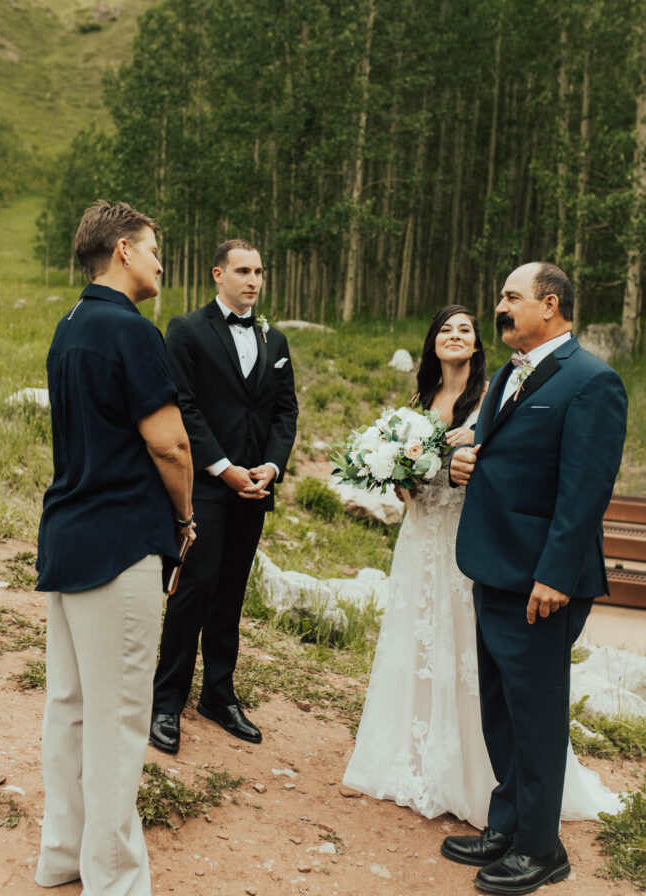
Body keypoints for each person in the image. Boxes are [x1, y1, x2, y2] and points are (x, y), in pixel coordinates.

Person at [342, 303, 623, 831]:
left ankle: (481, 782)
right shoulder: (419, 401)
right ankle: (416, 759)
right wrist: (399, 474)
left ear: (477, 346)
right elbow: (417, 482)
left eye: (465, 329)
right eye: (444, 329)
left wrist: (455, 467)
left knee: (474, 659)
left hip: (471, 543)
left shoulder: (494, 392)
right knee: (420, 645)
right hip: (421, 537)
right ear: (431, 343)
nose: (455, 335)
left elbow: (518, 469)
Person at [444, 263, 628, 896]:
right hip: (494, 565)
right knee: (502, 709)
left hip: (540, 583)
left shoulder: (592, 381)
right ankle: (507, 827)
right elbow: (509, 454)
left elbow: (584, 492)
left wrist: (553, 575)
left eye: (510, 298)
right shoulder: (506, 373)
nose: (500, 307)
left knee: (538, 715)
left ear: (550, 305)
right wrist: (470, 460)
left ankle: (542, 850)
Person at [35, 200, 195, 896]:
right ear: (123, 249)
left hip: (68, 535)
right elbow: (170, 442)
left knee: (69, 708)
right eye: (154, 248)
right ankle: (116, 881)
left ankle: (62, 856)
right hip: (120, 541)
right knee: (121, 717)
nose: (161, 261)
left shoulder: (69, 326)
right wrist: (185, 519)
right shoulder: (130, 330)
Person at [149, 239, 298, 755]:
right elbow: (183, 406)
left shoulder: (274, 339)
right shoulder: (187, 331)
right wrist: (225, 468)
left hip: (255, 488)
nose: (252, 279)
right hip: (207, 483)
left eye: (258, 270)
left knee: (232, 591)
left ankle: (219, 694)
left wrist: (271, 468)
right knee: (194, 586)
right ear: (218, 274)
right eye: (242, 270)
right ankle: (166, 702)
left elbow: (285, 412)